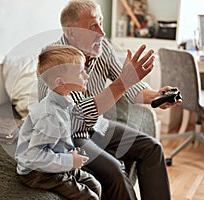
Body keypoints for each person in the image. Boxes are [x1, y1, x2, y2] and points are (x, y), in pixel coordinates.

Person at [37, 0, 182, 199]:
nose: (102, 33)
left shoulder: (101, 47)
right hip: (66, 136)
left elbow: (127, 84)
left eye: (101, 23)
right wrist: (124, 81)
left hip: (97, 126)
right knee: (114, 170)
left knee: (152, 148)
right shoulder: (54, 61)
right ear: (71, 33)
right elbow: (79, 116)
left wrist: (155, 96)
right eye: (93, 27)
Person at [15, 44, 102, 200]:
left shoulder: (63, 102)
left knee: (95, 185)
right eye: (81, 72)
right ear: (61, 82)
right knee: (91, 197)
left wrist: (69, 153)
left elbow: (57, 138)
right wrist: (70, 160)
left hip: (55, 159)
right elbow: (35, 157)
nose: (86, 76)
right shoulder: (50, 116)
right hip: (38, 172)